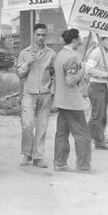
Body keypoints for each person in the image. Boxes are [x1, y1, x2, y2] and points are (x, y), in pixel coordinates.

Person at [53, 28, 94, 174]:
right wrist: (83, 69)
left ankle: (60, 163)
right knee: (82, 134)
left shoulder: (60, 54)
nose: (81, 41)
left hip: (61, 100)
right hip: (71, 102)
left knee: (62, 133)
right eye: (79, 38)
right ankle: (83, 166)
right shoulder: (72, 57)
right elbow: (71, 80)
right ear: (75, 40)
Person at [17, 23, 56, 168]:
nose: (41, 37)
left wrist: (52, 91)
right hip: (29, 94)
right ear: (33, 35)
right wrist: (27, 63)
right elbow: (20, 74)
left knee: (42, 126)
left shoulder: (51, 53)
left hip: (45, 95)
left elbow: (54, 74)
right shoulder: (24, 53)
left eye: (43, 35)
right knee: (27, 125)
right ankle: (27, 154)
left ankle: (38, 157)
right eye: (38, 34)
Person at [85, 36, 108, 150]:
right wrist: (105, 74)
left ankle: (99, 141)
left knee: (102, 116)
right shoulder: (97, 52)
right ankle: (85, 140)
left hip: (103, 86)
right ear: (101, 40)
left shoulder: (106, 53)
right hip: (96, 86)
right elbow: (89, 69)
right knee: (96, 116)